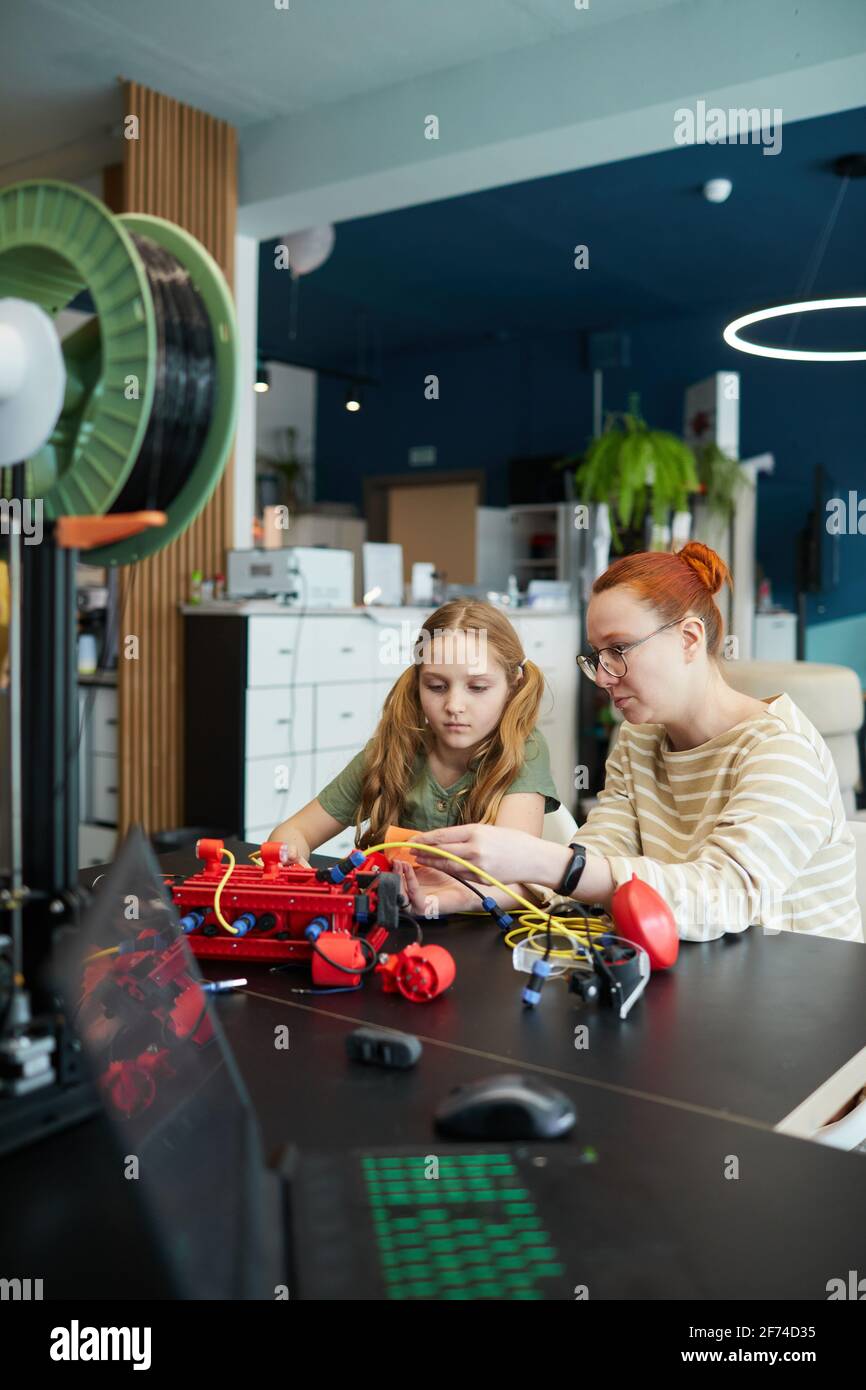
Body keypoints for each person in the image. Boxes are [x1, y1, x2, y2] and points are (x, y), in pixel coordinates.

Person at [408, 543, 864, 943]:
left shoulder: (780, 751)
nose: (603, 677)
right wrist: (474, 890)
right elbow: (605, 850)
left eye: (619, 650)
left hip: (806, 1007)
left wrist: (545, 862)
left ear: (689, 638)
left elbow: (722, 899)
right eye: (596, 657)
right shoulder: (639, 737)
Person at [268, 599, 560, 917]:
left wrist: (440, 900)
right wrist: (290, 861)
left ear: (512, 687)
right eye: (436, 686)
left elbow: (516, 876)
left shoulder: (523, 750)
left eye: (477, 687)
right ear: (417, 683)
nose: (454, 705)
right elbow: (291, 834)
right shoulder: (391, 750)